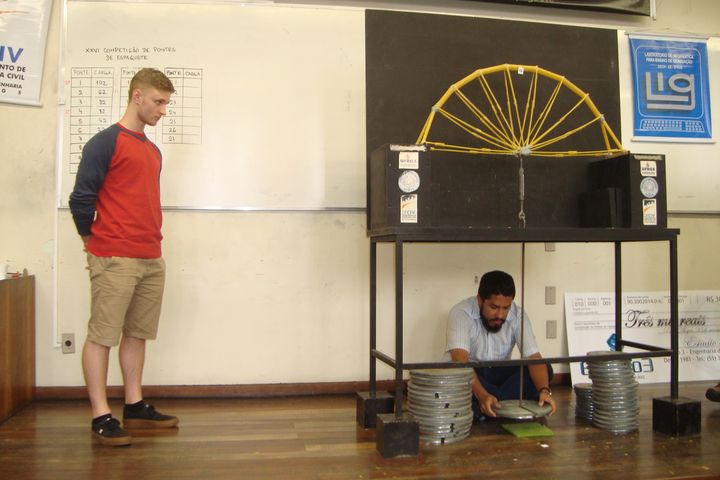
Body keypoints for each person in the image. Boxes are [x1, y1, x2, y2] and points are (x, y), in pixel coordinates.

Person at [69, 68, 178, 446]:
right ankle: (101, 414)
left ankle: (134, 404)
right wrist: (92, 240)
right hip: (115, 256)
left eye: (166, 103)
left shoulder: (152, 150)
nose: (163, 110)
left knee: (137, 333)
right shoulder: (105, 143)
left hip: (151, 256)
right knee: (102, 336)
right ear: (137, 96)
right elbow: (81, 199)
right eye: (158, 102)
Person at [446, 270, 557, 420]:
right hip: (473, 373)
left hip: (501, 374)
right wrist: (482, 394)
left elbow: (533, 357)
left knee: (545, 368)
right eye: (494, 307)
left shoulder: (518, 315)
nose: (500, 315)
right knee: (455, 377)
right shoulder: (461, 313)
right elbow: (461, 362)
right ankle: (495, 402)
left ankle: (487, 405)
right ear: (480, 300)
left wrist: (544, 390)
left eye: (506, 308)